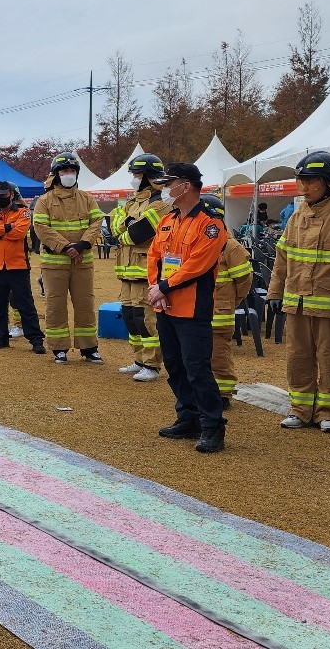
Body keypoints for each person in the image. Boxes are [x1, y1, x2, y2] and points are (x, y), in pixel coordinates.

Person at [268, 152, 330, 434]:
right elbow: (282, 258)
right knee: (297, 357)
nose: (303, 186)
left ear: (327, 183)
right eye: (301, 180)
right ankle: (300, 410)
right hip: (297, 302)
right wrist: (275, 292)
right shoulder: (297, 216)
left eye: (310, 181)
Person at [146, 163, 229, 453]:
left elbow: (198, 265)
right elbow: (155, 256)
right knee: (175, 365)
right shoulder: (168, 219)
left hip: (192, 307)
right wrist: (156, 289)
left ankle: (212, 425)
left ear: (186, 185)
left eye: (170, 183)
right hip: (165, 305)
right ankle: (188, 416)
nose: (166, 189)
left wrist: (164, 287)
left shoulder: (210, 224)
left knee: (197, 368)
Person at [32, 152, 104, 365]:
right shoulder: (44, 201)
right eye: (64, 171)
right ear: (56, 174)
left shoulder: (87, 198)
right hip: (54, 264)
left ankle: (89, 347)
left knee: (85, 303)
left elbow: (97, 221)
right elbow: (41, 227)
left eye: (72, 171)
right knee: (55, 305)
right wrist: (65, 247)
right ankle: (59, 347)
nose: (68, 174)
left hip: (82, 262)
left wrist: (83, 245)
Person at [110, 153, 171, 382]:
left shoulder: (161, 201)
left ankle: (152, 364)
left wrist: (124, 228)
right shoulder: (132, 201)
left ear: (149, 176)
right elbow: (115, 223)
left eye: (137, 174)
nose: (134, 179)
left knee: (146, 319)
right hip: (126, 270)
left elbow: (138, 233)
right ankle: (138, 360)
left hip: (146, 271)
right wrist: (125, 226)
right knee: (130, 317)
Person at [201, 194, 254, 407]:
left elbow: (244, 280)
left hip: (219, 314)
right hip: (196, 312)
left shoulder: (229, 246)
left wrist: (231, 301)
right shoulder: (195, 243)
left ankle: (223, 396)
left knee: (219, 357)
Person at [0, 181, 45, 353]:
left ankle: (36, 339)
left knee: (25, 304)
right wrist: (8, 227)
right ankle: (2, 337)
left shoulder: (23, 212)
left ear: (11, 195)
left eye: (2, 196)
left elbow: (20, 233)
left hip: (18, 266)